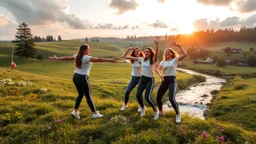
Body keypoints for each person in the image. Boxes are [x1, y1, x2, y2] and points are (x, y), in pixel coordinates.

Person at [49, 44, 117, 119]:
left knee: (81, 94)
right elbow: (98, 59)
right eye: (88, 49)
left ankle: (75, 111)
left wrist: (56, 58)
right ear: (84, 51)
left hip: (75, 77)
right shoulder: (86, 57)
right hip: (82, 78)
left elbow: (67, 58)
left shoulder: (77, 56)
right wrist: (110, 60)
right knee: (88, 96)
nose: (89, 50)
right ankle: (94, 113)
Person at [122, 36, 160, 120]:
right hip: (142, 79)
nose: (146, 52)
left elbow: (157, 53)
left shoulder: (153, 60)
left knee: (147, 97)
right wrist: (129, 49)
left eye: (148, 51)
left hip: (150, 80)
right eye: (145, 51)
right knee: (138, 95)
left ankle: (156, 111)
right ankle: (143, 108)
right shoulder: (142, 59)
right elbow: (124, 57)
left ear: (151, 53)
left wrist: (157, 44)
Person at [155, 41, 187, 123]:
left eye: (169, 52)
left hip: (172, 80)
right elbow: (157, 68)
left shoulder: (175, 60)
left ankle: (178, 115)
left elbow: (185, 54)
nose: (167, 53)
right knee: (158, 97)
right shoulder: (163, 62)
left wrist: (179, 45)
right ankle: (161, 112)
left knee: (171, 98)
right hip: (164, 80)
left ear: (172, 54)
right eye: (166, 52)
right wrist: (160, 75)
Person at [120, 47, 144, 111]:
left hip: (141, 78)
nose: (137, 52)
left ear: (140, 52)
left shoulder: (142, 59)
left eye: (138, 51)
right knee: (127, 91)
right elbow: (123, 56)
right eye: (135, 51)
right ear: (133, 53)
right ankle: (125, 104)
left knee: (139, 93)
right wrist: (128, 49)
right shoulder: (132, 60)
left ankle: (141, 106)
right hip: (133, 78)